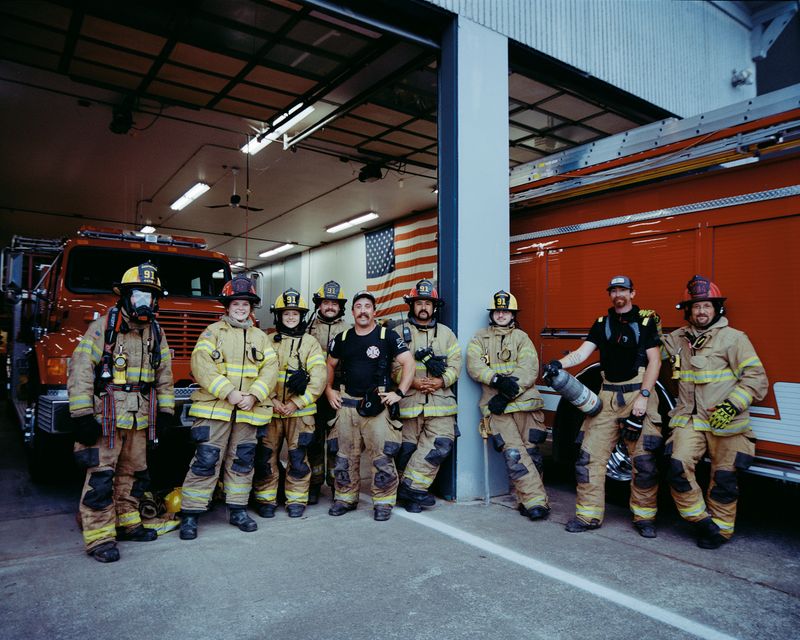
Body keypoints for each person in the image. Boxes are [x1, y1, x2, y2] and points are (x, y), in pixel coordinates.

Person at [67, 263, 174, 563]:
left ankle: (128, 523)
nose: (145, 303)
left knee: (134, 475)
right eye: (139, 296)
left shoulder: (156, 332)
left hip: (140, 417)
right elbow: (81, 372)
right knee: (101, 479)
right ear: (125, 297)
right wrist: (82, 416)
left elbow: (164, 375)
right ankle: (99, 538)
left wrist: (166, 412)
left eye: (150, 298)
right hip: (106, 418)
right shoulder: (102, 328)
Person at [544, 275, 662, 538]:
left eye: (623, 290)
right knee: (588, 458)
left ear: (633, 293)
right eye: (614, 290)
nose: (618, 294)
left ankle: (644, 518)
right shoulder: (601, 324)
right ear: (610, 295)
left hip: (637, 394)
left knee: (644, 461)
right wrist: (558, 365)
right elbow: (582, 353)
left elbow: (655, 362)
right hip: (607, 396)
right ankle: (588, 515)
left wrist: (644, 396)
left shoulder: (646, 323)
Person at [662, 275, 767, 549]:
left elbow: (756, 378)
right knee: (676, 467)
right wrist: (644, 321)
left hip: (726, 422)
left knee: (724, 479)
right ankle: (701, 521)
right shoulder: (678, 339)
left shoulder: (734, 339)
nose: (701, 311)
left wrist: (732, 405)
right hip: (690, 420)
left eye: (707, 306)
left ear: (717, 309)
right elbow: (650, 350)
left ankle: (720, 531)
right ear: (688, 311)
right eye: (695, 306)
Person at [179, 275, 277, 540]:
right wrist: (230, 393)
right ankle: (190, 514)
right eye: (236, 304)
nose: (241, 308)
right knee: (205, 461)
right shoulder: (212, 333)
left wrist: (254, 395)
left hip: (248, 411)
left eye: (245, 304)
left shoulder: (261, 337)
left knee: (242, 462)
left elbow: (271, 370)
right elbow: (201, 366)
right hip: (215, 411)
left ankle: (237, 510)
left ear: (252, 308)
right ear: (227, 306)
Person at [325, 290, 415, 521]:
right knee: (345, 456)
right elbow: (330, 365)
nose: (363, 310)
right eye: (359, 307)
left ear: (374, 311)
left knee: (381, 456)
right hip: (347, 406)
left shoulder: (387, 335)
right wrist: (329, 389)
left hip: (377, 407)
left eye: (367, 306)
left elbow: (408, 362)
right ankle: (345, 498)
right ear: (353, 312)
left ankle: (383, 502)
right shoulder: (343, 338)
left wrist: (400, 392)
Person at [466, 290, 550, 521]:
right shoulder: (479, 338)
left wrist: (507, 393)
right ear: (492, 314)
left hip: (525, 405)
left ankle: (526, 498)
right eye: (497, 311)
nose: (501, 314)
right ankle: (536, 501)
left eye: (506, 311)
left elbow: (530, 368)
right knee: (514, 454)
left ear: (513, 314)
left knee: (532, 454)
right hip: (497, 409)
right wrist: (496, 380)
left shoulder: (522, 338)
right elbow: (474, 365)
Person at [252, 289, 326, 518]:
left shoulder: (310, 343)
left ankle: (296, 500)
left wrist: (297, 403)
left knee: (297, 457)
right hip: (270, 410)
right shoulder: (266, 340)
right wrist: (271, 399)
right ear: (278, 316)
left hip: (300, 413)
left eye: (295, 313)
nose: (291, 317)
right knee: (266, 457)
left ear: (301, 316)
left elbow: (319, 377)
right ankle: (266, 499)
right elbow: (256, 373)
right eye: (286, 313)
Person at [394, 279, 461, 513]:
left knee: (439, 447)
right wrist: (412, 381)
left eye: (428, 303)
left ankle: (410, 490)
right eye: (419, 302)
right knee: (405, 452)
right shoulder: (398, 333)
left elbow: (456, 365)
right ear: (411, 305)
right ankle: (410, 496)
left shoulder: (447, 334)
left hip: (440, 403)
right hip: (409, 403)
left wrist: (442, 380)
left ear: (434, 307)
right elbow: (392, 367)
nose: (424, 307)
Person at [305, 281, 350, 504]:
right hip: (312, 393)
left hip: (337, 393)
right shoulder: (307, 328)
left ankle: (335, 485)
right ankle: (313, 486)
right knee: (313, 440)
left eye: (334, 303)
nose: (330, 307)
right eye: (326, 303)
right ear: (319, 305)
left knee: (336, 443)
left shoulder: (349, 331)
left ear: (340, 306)